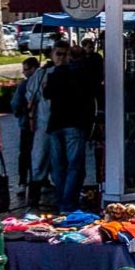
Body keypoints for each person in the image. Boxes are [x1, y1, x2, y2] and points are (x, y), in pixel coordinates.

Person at [43, 40, 98, 211]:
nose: (60, 57)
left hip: (63, 124)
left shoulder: (58, 74)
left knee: (64, 166)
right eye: (58, 54)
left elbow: (47, 93)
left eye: (62, 54)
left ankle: (65, 201)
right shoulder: (74, 73)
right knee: (69, 166)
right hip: (68, 124)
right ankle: (67, 202)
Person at [8, 56, 42, 202]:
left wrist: (20, 113)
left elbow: (15, 103)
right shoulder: (43, 80)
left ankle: (23, 181)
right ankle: (41, 180)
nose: (24, 72)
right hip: (42, 125)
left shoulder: (25, 85)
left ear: (34, 68)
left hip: (28, 123)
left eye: (26, 69)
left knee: (25, 153)